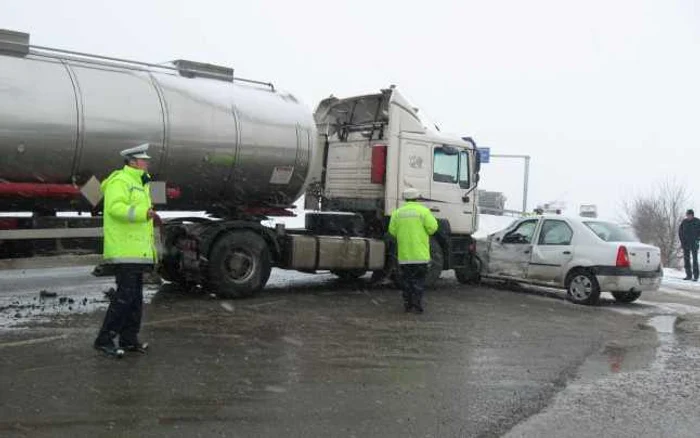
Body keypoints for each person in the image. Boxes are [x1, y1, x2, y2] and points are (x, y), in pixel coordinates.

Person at [94, 143, 160, 357]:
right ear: (133, 162)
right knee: (124, 298)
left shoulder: (140, 183)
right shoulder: (120, 181)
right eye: (144, 160)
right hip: (125, 251)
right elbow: (115, 208)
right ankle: (104, 339)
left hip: (137, 252)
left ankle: (129, 339)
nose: (147, 162)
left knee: (135, 299)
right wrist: (144, 212)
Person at [388, 188, 439, 313]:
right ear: (417, 198)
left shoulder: (397, 213)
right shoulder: (423, 212)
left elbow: (392, 231)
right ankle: (417, 304)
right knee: (419, 281)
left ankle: (408, 304)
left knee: (406, 280)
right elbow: (433, 228)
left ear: (405, 199)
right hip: (420, 255)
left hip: (404, 255)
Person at [679, 209, 700, 281]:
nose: (688, 216)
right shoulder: (684, 222)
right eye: (687, 215)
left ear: (692, 215)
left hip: (694, 243)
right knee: (686, 260)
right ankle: (688, 275)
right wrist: (682, 241)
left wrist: (698, 240)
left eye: (690, 215)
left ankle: (696, 276)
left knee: (695, 260)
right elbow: (680, 232)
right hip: (686, 244)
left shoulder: (697, 221)